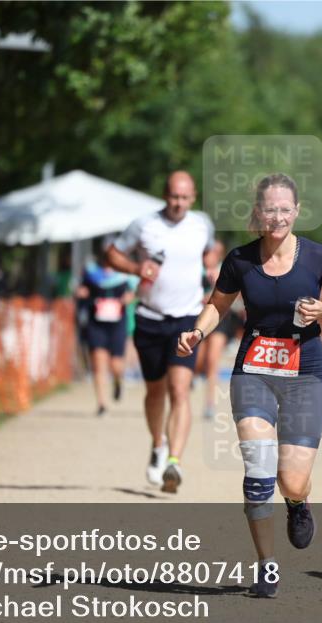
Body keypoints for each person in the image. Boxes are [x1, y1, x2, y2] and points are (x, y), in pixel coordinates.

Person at [177, 173, 322, 598]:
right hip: (254, 371)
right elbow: (217, 305)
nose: (276, 216)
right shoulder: (240, 260)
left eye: (284, 209)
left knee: (291, 480)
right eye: (269, 208)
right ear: (258, 212)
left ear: (296, 212)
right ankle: (266, 565)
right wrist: (197, 333)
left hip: (305, 373)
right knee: (258, 473)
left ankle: (298, 503)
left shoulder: (317, 257)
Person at [107, 171, 217, 492]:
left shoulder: (201, 224)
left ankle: (175, 463)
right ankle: (158, 446)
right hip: (150, 316)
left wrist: (211, 263)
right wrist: (136, 268)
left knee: (180, 390)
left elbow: (213, 247)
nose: (178, 203)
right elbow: (112, 254)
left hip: (187, 317)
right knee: (155, 391)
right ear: (164, 195)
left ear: (192, 197)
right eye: (173, 197)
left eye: (184, 198)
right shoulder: (145, 225)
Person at [74, 250, 133, 416]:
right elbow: (82, 290)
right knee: (99, 364)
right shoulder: (91, 273)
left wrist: (128, 298)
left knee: (115, 364)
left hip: (117, 324)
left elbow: (131, 292)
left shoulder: (124, 275)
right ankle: (101, 404)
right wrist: (81, 294)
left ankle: (117, 381)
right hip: (96, 324)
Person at [197, 239, 242, 420]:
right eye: (209, 252)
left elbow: (235, 293)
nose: (211, 256)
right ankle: (196, 378)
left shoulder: (226, 269)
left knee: (212, 360)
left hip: (220, 320)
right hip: (198, 319)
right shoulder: (195, 271)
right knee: (199, 362)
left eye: (215, 252)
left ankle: (209, 404)